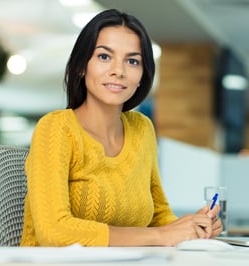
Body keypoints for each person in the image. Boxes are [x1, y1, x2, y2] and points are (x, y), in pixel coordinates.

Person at [20, 9, 222, 247]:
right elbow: (54, 232)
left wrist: (192, 226)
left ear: (142, 75)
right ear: (81, 66)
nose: (119, 71)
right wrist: (161, 236)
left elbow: (159, 218)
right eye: (104, 57)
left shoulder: (142, 129)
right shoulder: (56, 128)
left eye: (132, 61)